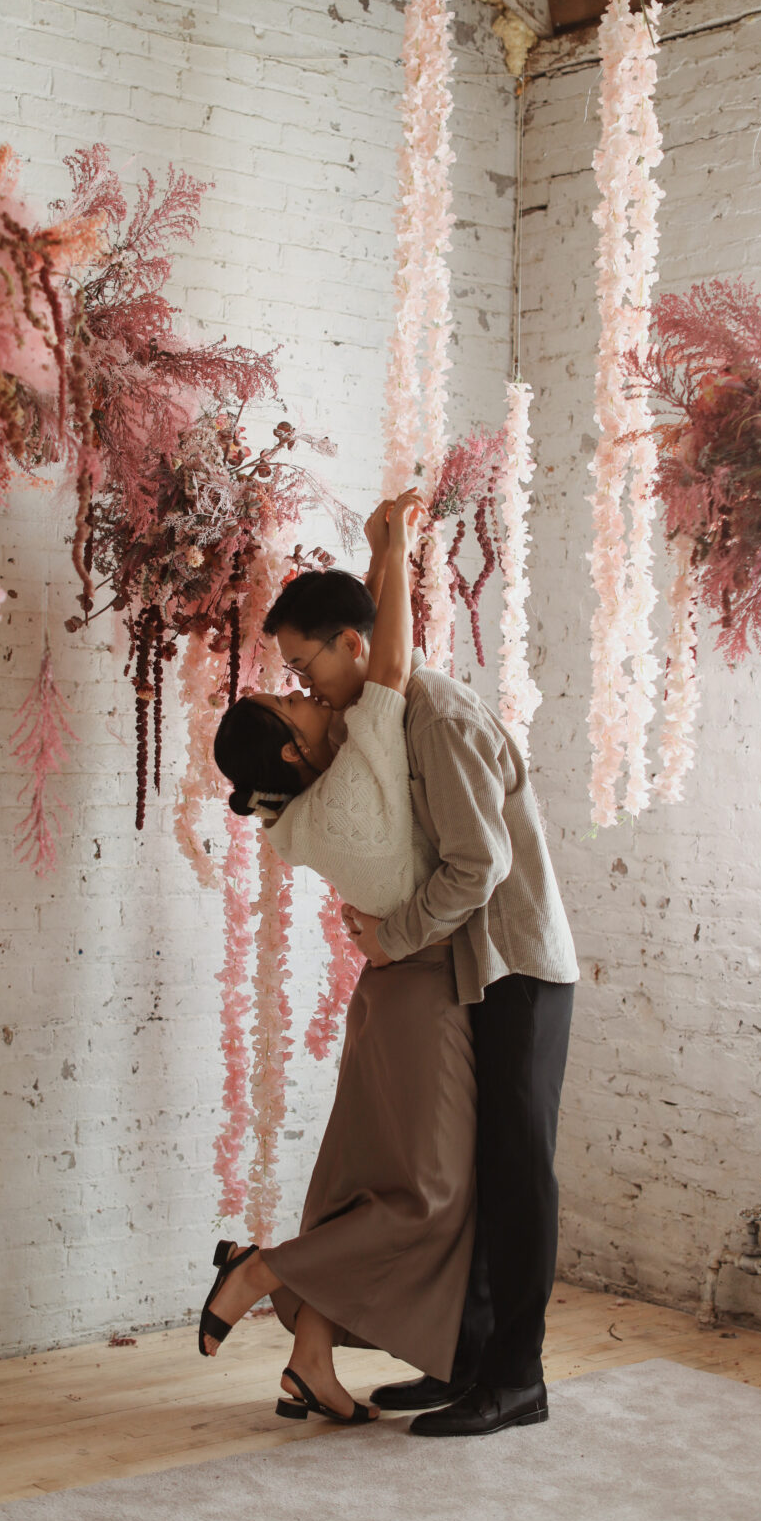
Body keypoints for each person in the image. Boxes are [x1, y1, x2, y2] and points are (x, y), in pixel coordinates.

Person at [262, 506, 579, 1439]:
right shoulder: (387, 716)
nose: (301, 683)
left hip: (515, 967)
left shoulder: (436, 718)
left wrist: (396, 936)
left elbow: (479, 865)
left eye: (304, 665)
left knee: (520, 1178)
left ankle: (517, 1378)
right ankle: (470, 1362)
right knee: (476, 1175)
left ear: (349, 646)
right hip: (469, 969)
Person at [204, 489, 476, 1427]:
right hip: (421, 991)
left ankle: (309, 1359)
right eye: (290, 696)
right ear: (294, 744)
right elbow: (378, 652)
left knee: (361, 1182)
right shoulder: (359, 766)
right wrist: (391, 549)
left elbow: (357, 654)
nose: (305, 690)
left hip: (385, 991)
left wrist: (380, 560)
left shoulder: (293, 819)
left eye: (294, 674)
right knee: (428, 1194)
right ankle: (260, 1270)